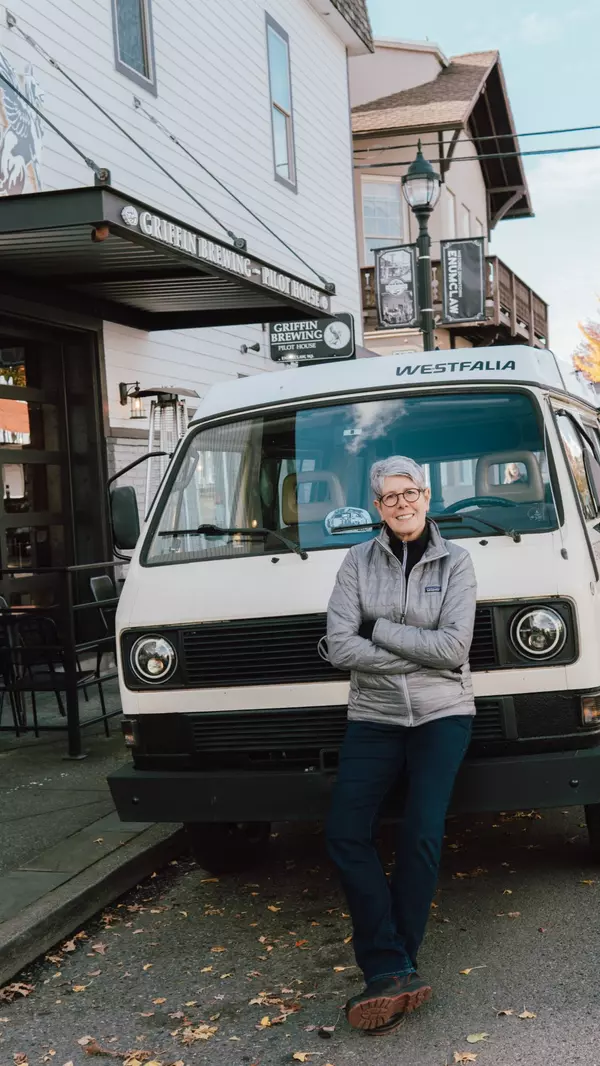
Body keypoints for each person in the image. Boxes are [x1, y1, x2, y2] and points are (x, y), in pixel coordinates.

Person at [325, 455, 477, 1037]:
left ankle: (392, 969)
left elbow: (454, 649)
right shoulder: (356, 562)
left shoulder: (457, 562)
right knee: (344, 831)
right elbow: (339, 647)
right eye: (389, 497)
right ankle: (394, 967)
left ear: (426, 494)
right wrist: (419, 647)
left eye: (409, 492)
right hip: (375, 715)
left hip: (443, 713)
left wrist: (379, 630)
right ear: (377, 507)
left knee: (421, 833)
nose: (401, 504)